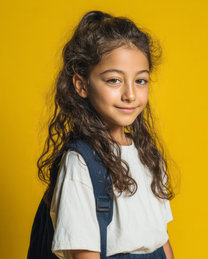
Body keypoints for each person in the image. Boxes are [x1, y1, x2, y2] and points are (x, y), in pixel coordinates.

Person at [36, 10, 175, 259]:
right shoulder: (81, 163)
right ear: (81, 85)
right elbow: (84, 254)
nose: (130, 94)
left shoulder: (147, 154)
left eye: (141, 81)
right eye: (114, 80)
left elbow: (161, 239)